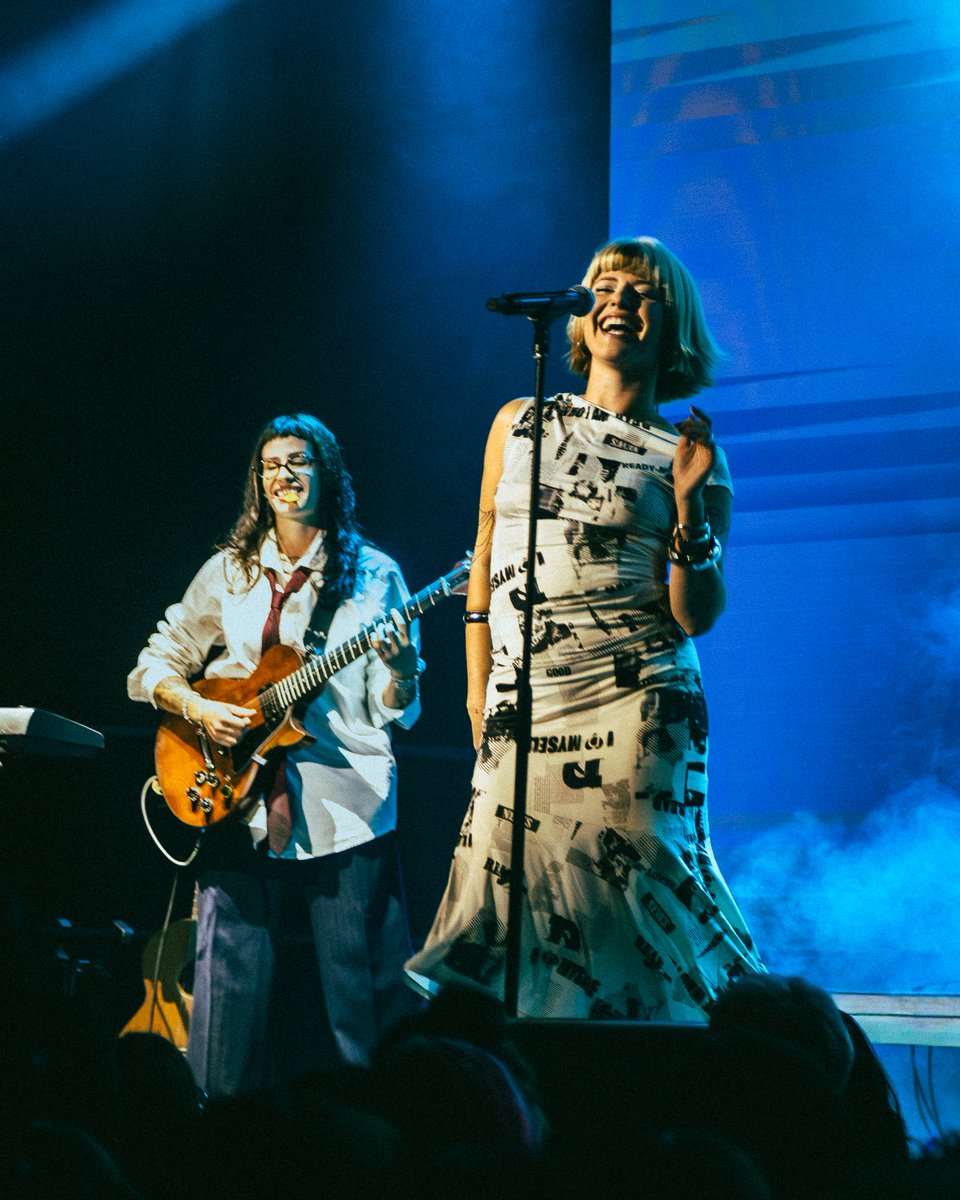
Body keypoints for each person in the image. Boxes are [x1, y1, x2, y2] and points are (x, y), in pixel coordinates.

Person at [406, 237, 763, 1018]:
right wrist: (476, 690)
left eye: (643, 292)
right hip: (522, 698)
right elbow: (483, 561)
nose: (621, 301)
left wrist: (691, 505)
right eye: (606, 286)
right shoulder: (518, 421)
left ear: (672, 323)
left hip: (637, 701)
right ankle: (535, 1076)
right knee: (514, 890)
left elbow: (696, 613)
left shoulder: (688, 453)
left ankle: (690, 1057)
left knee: (635, 891)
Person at [128, 413, 423, 1095]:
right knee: (222, 1010)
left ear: (328, 473)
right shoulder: (228, 571)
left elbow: (394, 707)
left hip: (343, 807)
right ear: (257, 482)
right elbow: (155, 662)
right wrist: (199, 708)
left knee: (365, 1007)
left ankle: (384, 1135)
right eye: (270, 465)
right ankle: (216, 1139)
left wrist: (403, 671)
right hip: (231, 797)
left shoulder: (375, 574)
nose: (284, 475)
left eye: (299, 461)